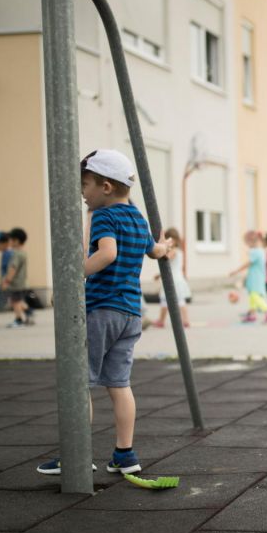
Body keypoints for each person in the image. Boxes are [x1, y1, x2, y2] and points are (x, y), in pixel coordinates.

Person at [38, 149, 171, 475]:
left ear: (106, 187)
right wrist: (165, 248)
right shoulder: (137, 218)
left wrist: (72, 279)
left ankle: (76, 455)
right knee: (119, 384)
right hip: (130, 314)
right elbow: (154, 251)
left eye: (85, 185)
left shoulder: (104, 217)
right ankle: (125, 454)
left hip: (101, 311)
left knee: (78, 382)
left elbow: (107, 253)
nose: (82, 193)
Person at [229, 231, 267, 324]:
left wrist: (235, 271)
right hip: (258, 277)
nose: (247, 245)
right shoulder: (261, 251)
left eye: (247, 243)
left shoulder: (256, 252)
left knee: (255, 296)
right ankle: (252, 315)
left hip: (255, 278)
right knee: (252, 296)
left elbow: (248, 264)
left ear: (252, 242)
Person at [152, 227, 191, 328]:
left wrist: (161, 250)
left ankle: (161, 320)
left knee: (165, 299)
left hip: (172, 279)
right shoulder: (180, 251)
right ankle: (185, 320)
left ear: (173, 239)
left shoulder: (174, 251)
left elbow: (166, 259)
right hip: (178, 278)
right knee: (179, 300)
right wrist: (159, 275)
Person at [1, 228, 34, 328]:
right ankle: (28, 312)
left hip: (15, 284)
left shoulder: (15, 254)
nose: (9, 242)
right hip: (22, 283)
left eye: (10, 240)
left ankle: (18, 319)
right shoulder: (23, 253)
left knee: (15, 302)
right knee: (18, 301)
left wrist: (7, 281)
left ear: (16, 241)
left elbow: (13, 268)